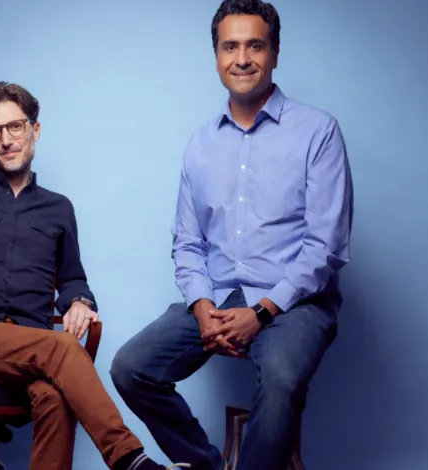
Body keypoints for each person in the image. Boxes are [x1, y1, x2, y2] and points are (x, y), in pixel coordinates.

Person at [0, 81, 189, 470]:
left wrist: (79, 302)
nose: (7, 139)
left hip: (31, 350)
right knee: (59, 347)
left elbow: (73, 279)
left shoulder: (59, 209)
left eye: (16, 127)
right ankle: (131, 460)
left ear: (34, 131)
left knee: (55, 395)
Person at [109, 1, 354, 469]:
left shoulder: (317, 132)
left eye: (254, 45)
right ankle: (208, 467)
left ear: (275, 53)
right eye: (230, 46)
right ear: (217, 56)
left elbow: (326, 247)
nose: (242, 58)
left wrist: (261, 312)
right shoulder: (200, 144)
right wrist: (202, 308)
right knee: (131, 368)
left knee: (281, 377)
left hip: (295, 303)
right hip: (219, 299)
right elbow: (188, 243)